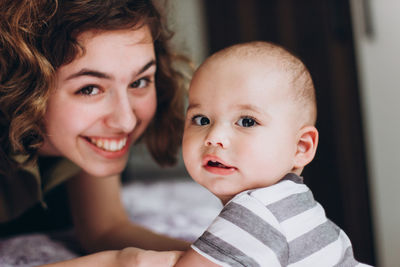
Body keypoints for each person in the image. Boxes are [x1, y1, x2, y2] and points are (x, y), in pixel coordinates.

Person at [0, 0, 189, 265]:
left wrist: (210, 257)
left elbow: (106, 228)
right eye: (89, 89)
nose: (125, 122)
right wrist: (121, 263)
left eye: (139, 82)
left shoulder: (78, 138)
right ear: (25, 84)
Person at [175, 41, 371, 266]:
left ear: (301, 147)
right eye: (202, 119)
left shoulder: (255, 213)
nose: (214, 136)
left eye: (247, 121)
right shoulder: (288, 203)